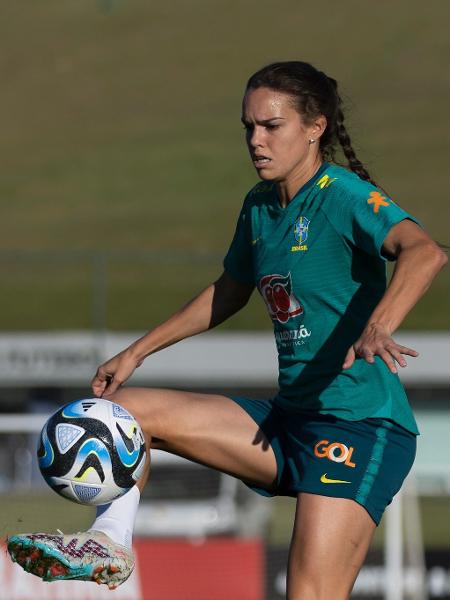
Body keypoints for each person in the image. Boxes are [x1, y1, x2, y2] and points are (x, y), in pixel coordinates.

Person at [8, 61, 447, 599]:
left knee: (307, 594)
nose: (256, 141)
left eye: (271, 126)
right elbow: (229, 291)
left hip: (358, 429)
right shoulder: (259, 207)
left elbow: (424, 252)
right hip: (288, 423)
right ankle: (109, 543)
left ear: (316, 127)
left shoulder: (343, 195)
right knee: (126, 413)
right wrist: (137, 352)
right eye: (248, 127)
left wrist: (379, 326)